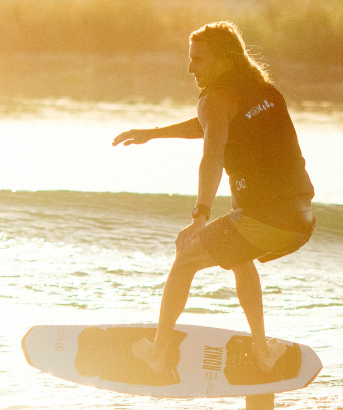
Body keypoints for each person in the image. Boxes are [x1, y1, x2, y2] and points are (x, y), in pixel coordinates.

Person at [112, 21, 315, 373]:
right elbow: (211, 124)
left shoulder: (216, 97)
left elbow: (213, 153)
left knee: (186, 255)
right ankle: (262, 350)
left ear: (224, 60)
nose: (190, 68)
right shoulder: (264, 92)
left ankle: (158, 355)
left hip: (265, 219)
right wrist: (154, 134)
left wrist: (199, 215)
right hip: (300, 220)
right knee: (238, 253)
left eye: (199, 60)